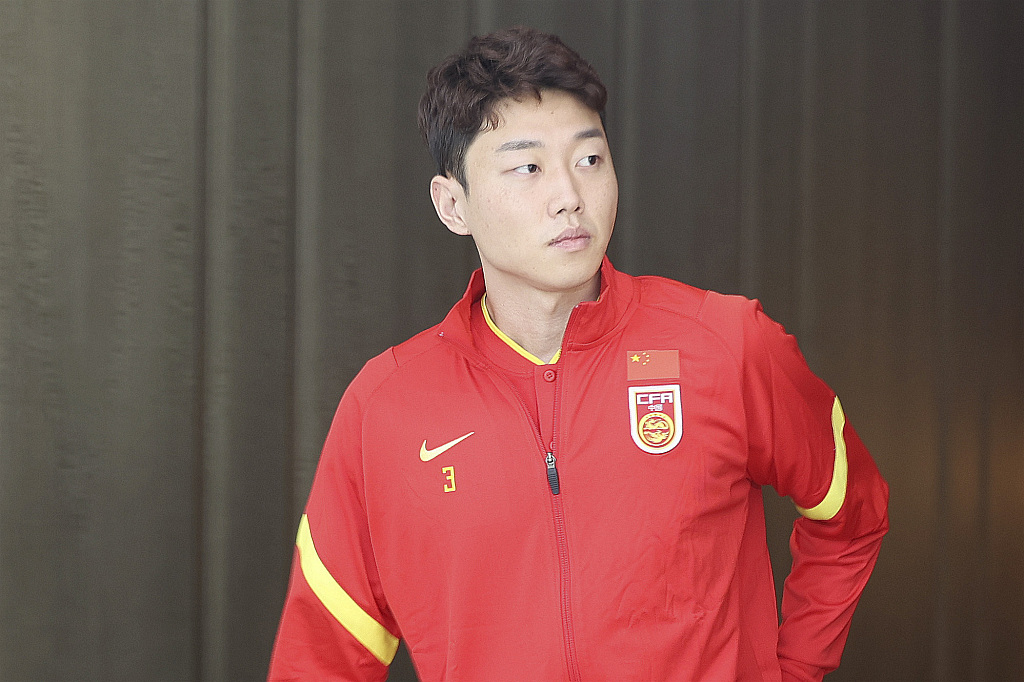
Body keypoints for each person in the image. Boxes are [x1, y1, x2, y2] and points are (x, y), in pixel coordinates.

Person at [267, 26, 889, 682]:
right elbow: (322, 653)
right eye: (528, 168)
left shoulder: (727, 345)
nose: (570, 196)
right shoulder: (385, 408)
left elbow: (853, 514)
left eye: (589, 159)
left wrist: (794, 669)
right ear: (453, 205)